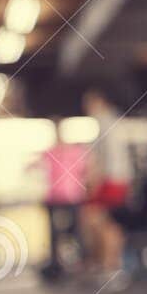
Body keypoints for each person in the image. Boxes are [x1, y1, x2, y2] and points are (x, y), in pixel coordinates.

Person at [81, 89, 134, 291]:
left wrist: (94, 183)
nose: (86, 108)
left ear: (98, 101)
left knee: (100, 222)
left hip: (110, 180)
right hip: (119, 179)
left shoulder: (104, 122)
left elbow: (102, 157)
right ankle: (109, 267)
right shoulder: (115, 121)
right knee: (107, 223)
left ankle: (110, 268)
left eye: (88, 103)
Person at [34, 119, 89, 279]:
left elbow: (32, 167)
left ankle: (62, 263)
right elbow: (86, 170)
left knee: (59, 233)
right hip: (69, 196)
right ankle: (73, 262)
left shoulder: (51, 152)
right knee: (73, 232)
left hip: (59, 196)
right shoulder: (75, 151)